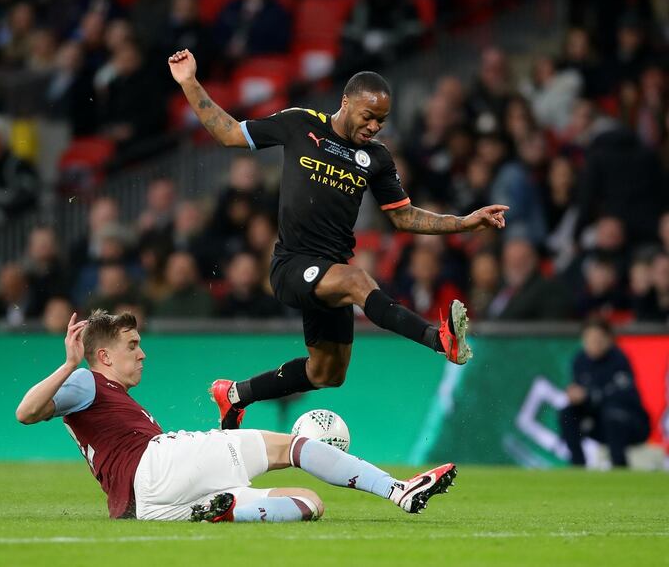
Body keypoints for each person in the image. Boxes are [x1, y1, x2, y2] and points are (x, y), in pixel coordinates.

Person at [168, 49, 509, 428]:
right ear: (345, 102)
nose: (375, 126)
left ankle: (234, 395)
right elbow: (229, 133)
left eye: (382, 120)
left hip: (328, 274)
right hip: (292, 265)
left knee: (327, 373)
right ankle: (438, 338)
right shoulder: (299, 123)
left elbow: (403, 216)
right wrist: (190, 82)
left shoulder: (376, 158)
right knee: (357, 279)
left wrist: (463, 222)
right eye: (368, 116)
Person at [15, 310, 457, 521]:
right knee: (293, 447)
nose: (142, 353)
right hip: (154, 465)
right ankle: (399, 489)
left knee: (308, 504)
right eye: (132, 346)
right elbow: (26, 413)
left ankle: (213, 512)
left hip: (144, 505)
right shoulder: (88, 380)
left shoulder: (113, 401)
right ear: (104, 355)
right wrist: (71, 363)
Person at [559, 319, 650, 468]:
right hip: (598, 423)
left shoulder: (619, 360)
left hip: (630, 424)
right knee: (568, 413)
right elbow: (580, 392)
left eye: (598, 339)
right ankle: (577, 465)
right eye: (589, 340)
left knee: (612, 414)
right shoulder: (580, 360)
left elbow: (621, 397)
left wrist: (589, 396)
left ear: (609, 339)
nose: (593, 344)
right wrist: (575, 396)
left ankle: (619, 466)